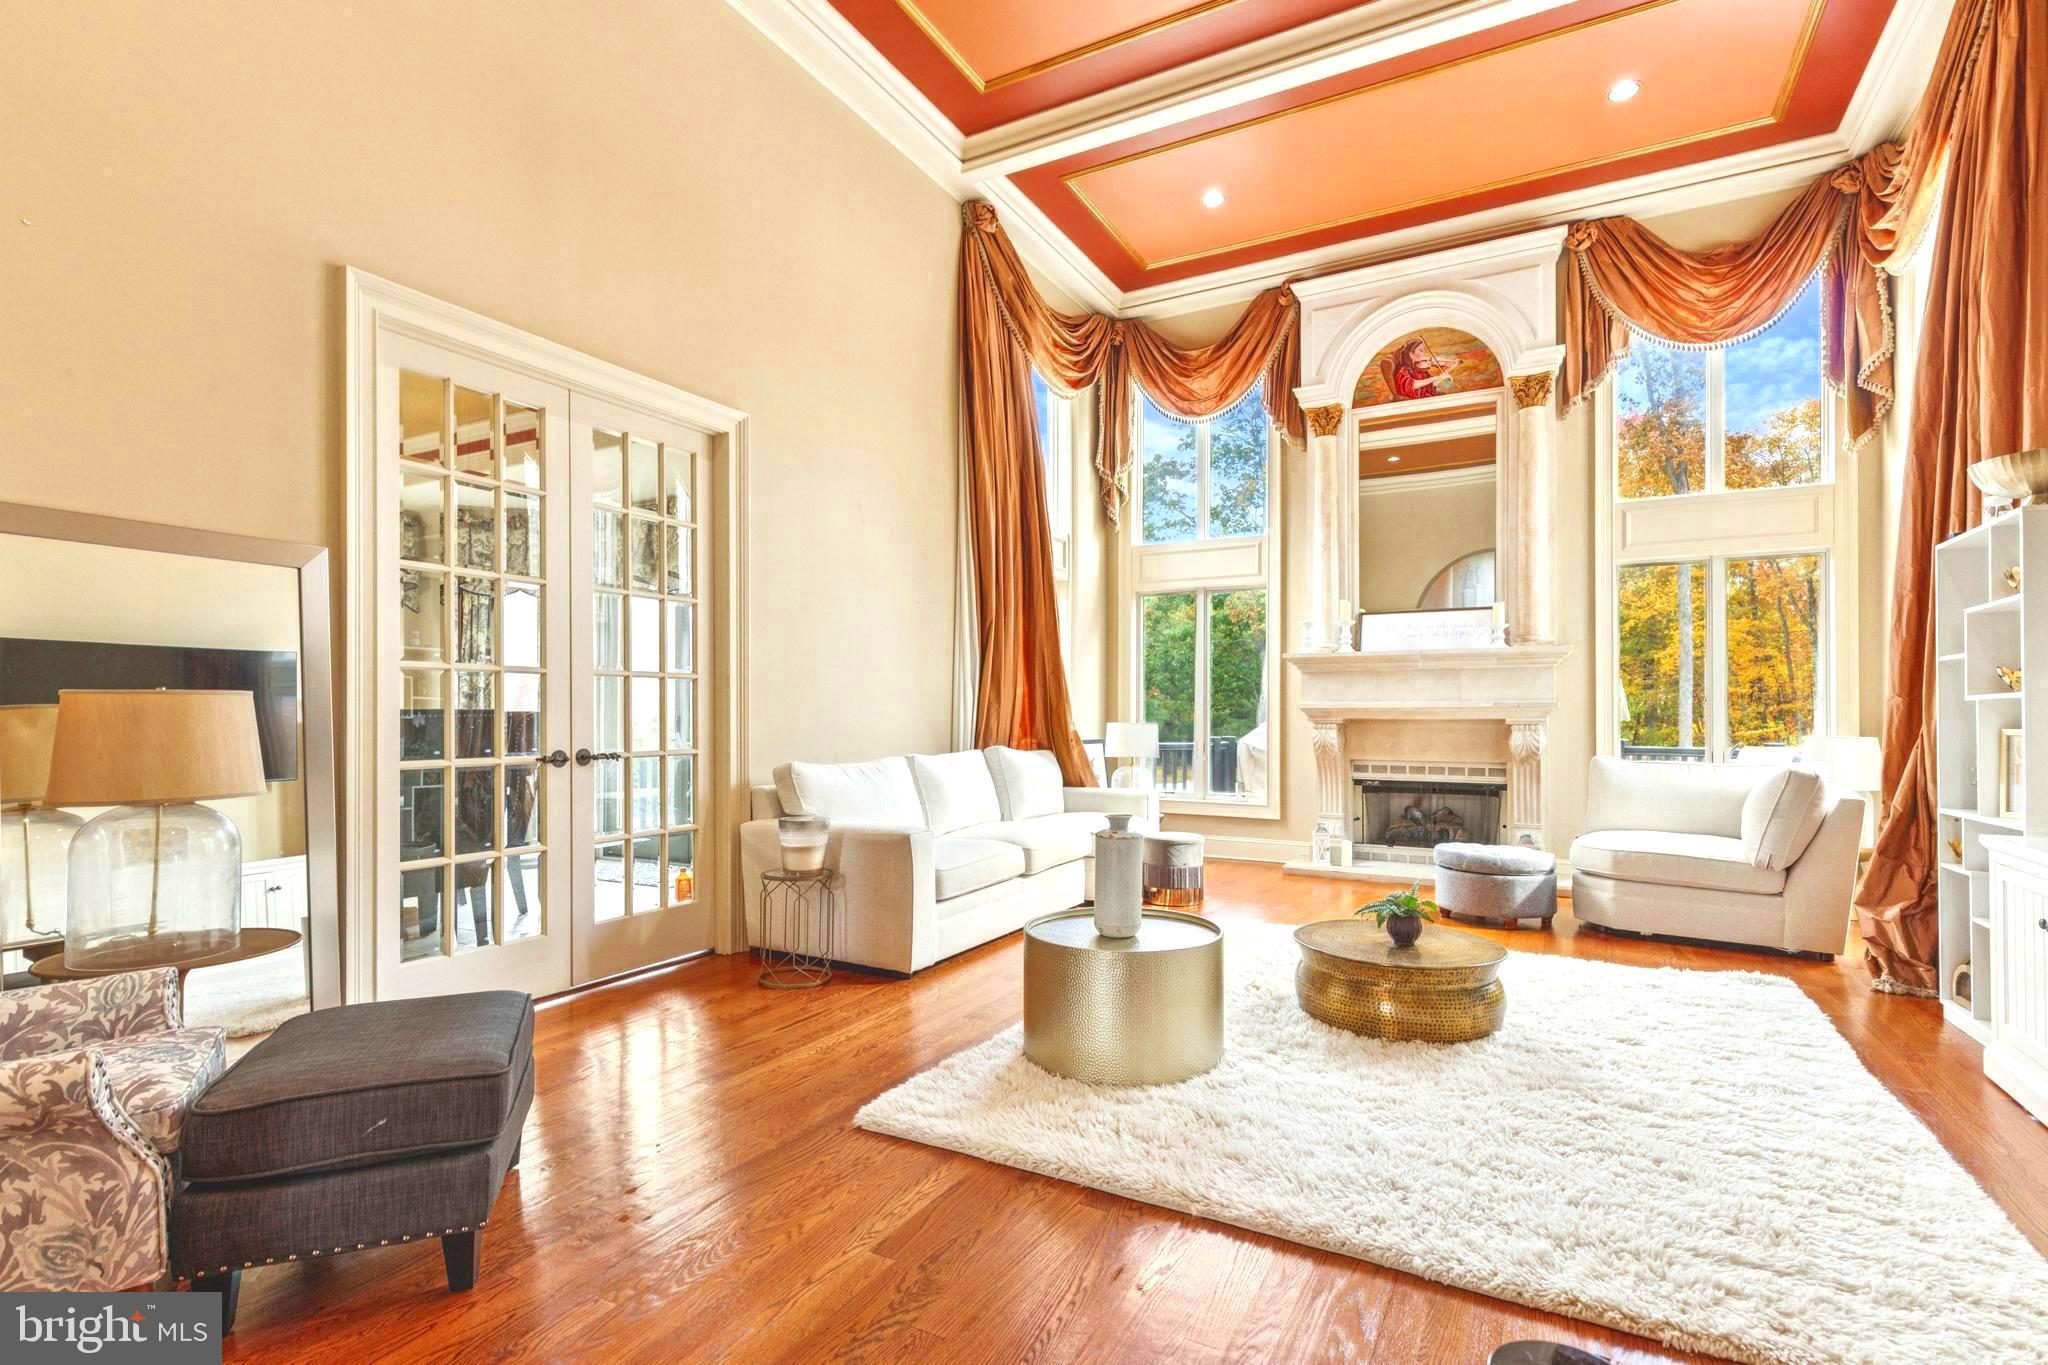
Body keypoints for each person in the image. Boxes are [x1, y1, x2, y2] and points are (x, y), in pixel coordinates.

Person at [1391, 337, 1458, 400]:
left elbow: (1431, 386)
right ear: (1411, 354)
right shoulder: (1403, 370)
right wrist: (1437, 377)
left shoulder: (1420, 370)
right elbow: (1413, 385)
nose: (1424, 354)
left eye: (1424, 350)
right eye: (1421, 350)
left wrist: (1449, 369)